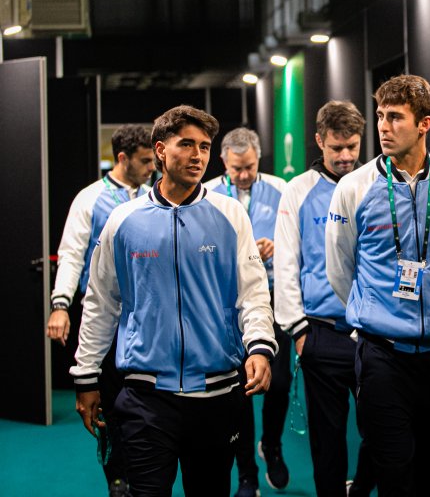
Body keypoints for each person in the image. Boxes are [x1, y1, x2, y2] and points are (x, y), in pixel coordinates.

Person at [71, 105, 277, 497]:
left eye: (204, 146)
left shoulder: (230, 214)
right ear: (161, 150)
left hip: (216, 394)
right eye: (187, 144)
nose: (198, 155)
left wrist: (260, 347)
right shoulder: (123, 220)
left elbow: (252, 293)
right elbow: (102, 302)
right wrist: (86, 376)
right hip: (146, 398)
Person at [325, 75, 430, 496]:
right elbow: (340, 269)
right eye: (380, 116)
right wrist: (375, 311)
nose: (382, 126)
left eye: (395, 117)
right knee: (394, 470)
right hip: (383, 357)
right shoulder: (353, 187)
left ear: (424, 124)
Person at [47, 123, 154, 497]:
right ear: (122, 158)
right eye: (144, 161)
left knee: (144, 399)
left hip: (146, 317)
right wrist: (60, 305)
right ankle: (117, 475)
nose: (152, 168)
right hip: (104, 316)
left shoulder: (155, 195)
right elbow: (72, 255)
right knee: (109, 402)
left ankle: (144, 471)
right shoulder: (90, 199)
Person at [274, 101, 375, 497]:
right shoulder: (297, 190)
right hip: (321, 333)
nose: (347, 156)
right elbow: (286, 264)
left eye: (352, 146)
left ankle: (362, 489)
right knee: (327, 438)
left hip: (374, 333)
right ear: (319, 141)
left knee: (382, 429)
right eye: (337, 148)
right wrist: (298, 331)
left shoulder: (376, 183)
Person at [204, 128, 291, 497]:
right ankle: (247, 475)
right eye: (237, 168)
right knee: (240, 389)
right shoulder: (206, 193)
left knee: (280, 383)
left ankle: (271, 444)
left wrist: (277, 246)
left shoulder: (281, 189)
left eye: (250, 167)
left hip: (272, 297)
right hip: (227, 306)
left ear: (259, 160)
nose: (244, 175)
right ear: (224, 161)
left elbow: (299, 245)